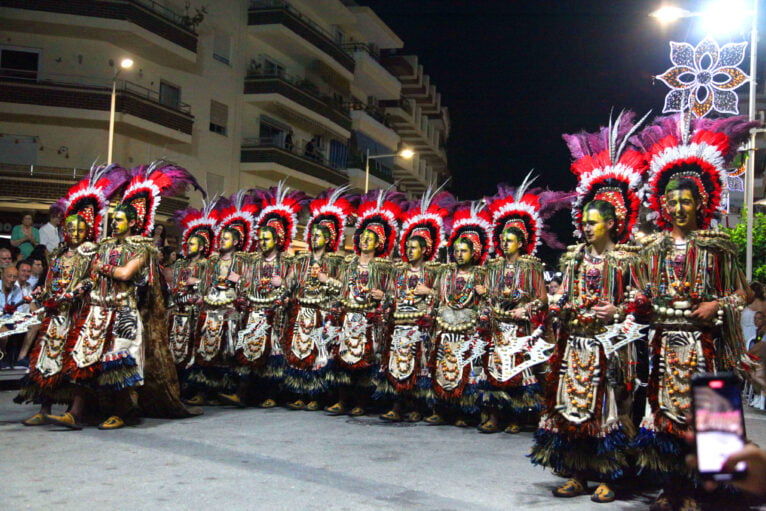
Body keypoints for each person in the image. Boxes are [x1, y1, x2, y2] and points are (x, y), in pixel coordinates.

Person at [631, 114, 755, 511]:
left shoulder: (717, 245)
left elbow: (743, 293)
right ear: (662, 205)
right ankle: (673, 487)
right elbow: (644, 291)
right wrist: (642, 305)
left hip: (707, 347)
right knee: (666, 420)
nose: (679, 207)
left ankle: (705, 493)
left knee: (708, 422)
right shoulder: (654, 249)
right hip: (666, 348)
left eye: (687, 200)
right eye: (672, 201)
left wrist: (718, 304)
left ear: (702, 201)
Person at [530, 111, 649, 503]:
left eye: (594, 222)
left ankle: (609, 476)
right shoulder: (576, 258)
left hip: (610, 349)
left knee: (610, 410)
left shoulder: (628, 259)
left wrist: (618, 311)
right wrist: (558, 307)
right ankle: (577, 472)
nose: (585, 226)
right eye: (583, 220)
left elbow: (642, 299)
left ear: (612, 224)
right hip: (575, 345)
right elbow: (562, 294)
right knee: (572, 407)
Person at [47, 160, 203, 430]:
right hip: (98, 310)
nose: (114, 222)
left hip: (125, 312)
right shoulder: (104, 245)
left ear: (133, 221)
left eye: (120, 219)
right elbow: (91, 274)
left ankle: (122, 412)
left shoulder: (143, 248)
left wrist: (102, 267)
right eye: (113, 218)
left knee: (118, 366)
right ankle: (75, 412)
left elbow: (125, 274)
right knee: (85, 361)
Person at [16, 165, 118, 425]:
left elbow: (92, 280)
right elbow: (50, 280)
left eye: (78, 229)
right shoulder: (60, 253)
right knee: (46, 360)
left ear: (87, 230)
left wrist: (74, 292)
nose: (73, 232)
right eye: (69, 228)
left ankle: (76, 412)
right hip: (55, 314)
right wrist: (41, 292)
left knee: (77, 364)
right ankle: (44, 407)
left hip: (78, 315)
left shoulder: (91, 251)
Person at [480, 174, 565, 434]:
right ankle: (495, 416)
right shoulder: (493, 266)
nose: (504, 243)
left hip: (520, 328)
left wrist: (524, 310)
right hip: (498, 326)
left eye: (510, 240)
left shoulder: (531, 266)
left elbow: (541, 299)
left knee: (518, 372)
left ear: (521, 242)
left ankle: (517, 417)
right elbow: (488, 295)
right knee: (494, 371)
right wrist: (485, 299)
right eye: (502, 239)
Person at [223, 182, 306, 407]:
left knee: (272, 354)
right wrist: (240, 283)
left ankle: (271, 395)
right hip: (255, 312)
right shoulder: (253, 261)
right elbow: (246, 283)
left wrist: (283, 286)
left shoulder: (288, 261)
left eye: (266, 239)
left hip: (276, 315)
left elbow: (293, 285)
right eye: (260, 239)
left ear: (277, 240)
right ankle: (242, 393)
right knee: (249, 350)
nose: (262, 242)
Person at [375, 186, 451, 422]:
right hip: (399, 326)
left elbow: (445, 297)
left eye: (414, 247)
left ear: (425, 249)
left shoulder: (435, 271)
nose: (409, 251)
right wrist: (384, 300)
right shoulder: (399, 271)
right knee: (398, 364)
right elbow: (390, 294)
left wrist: (429, 291)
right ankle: (398, 405)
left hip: (421, 328)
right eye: (407, 247)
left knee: (420, 367)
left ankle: (419, 406)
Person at [324, 189, 402, 417]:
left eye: (371, 238)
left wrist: (384, 297)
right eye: (363, 237)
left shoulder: (385, 266)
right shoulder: (349, 263)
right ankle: (341, 400)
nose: (365, 240)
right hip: (349, 317)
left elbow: (393, 293)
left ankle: (361, 403)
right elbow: (341, 287)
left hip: (369, 321)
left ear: (379, 242)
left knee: (365, 362)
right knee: (344, 359)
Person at [283, 187, 351, 411]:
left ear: (329, 238)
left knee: (318, 355)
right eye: (312, 235)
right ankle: (300, 393)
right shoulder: (301, 260)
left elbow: (341, 288)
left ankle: (317, 396)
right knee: (300, 352)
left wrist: (326, 280)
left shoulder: (336, 262)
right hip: (302, 311)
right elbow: (290, 283)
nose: (314, 238)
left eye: (319, 235)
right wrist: (285, 284)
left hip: (322, 314)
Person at [186, 192, 257, 406]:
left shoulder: (243, 260)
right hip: (210, 311)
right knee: (206, 350)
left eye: (226, 238)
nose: (221, 241)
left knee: (227, 352)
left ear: (236, 241)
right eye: (220, 238)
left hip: (230, 313)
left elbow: (248, 286)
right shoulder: (211, 262)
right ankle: (203, 391)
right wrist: (199, 295)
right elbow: (204, 284)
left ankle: (222, 391)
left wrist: (239, 285)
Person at [427, 201, 492, 427]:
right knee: (444, 367)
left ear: (474, 252)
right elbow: (437, 298)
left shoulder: (481, 274)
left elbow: (488, 302)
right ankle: (443, 408)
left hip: (468, 329)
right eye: (456, 251)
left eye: (464, 250)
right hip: (446, 327)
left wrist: (485, 295)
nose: (459, 254)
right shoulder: (446, 273)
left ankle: (466, 411)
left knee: (466, 369)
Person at [166, 200, 216, 392]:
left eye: (192, 244)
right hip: (177, 311)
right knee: (175, 346)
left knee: (192, 346)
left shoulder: (207, 264)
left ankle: (192, 385)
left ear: (202, 247)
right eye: (187, 243)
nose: (187, 246)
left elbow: (212, 287)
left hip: (196, 312)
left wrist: (197, 283)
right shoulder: (180, 264)